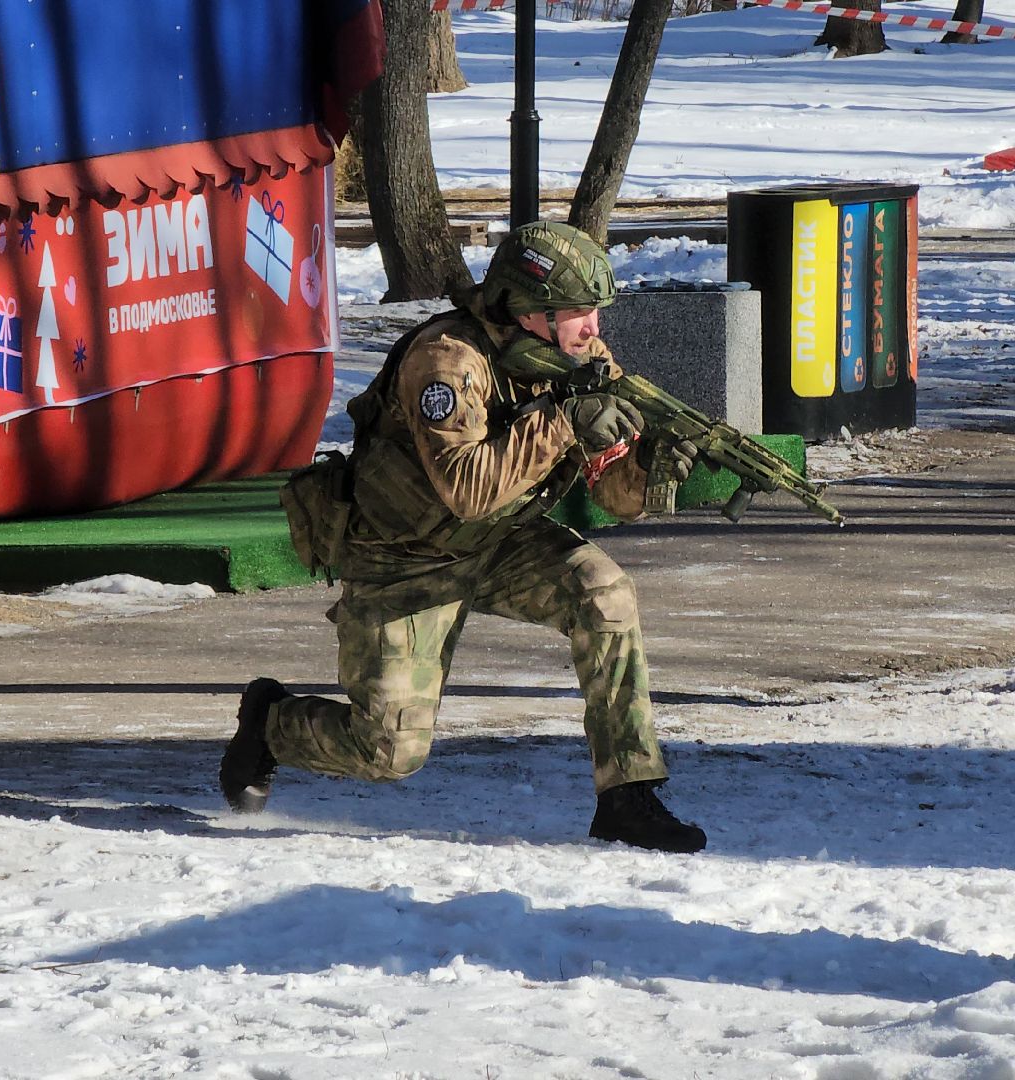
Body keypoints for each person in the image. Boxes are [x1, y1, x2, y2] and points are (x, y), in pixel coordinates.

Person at [220, 220, 708, 853]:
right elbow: (468, 489)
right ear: (531, 311)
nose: (595, 329)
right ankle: (271, 724)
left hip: (500, 542)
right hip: (404, 557)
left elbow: (613, 496)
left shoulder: (580, 357)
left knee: (605, 594)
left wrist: (646, 468)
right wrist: (563, 422)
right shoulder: (446, 362)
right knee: (388, 754)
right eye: (579, 313)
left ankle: (627, 795)